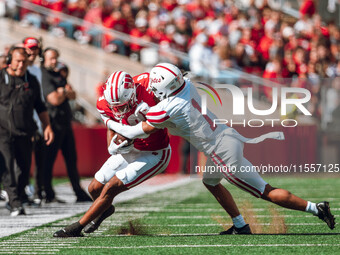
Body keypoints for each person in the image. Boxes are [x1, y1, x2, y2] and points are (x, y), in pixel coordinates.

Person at [82, 63, 335, 234]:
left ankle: (315, 208)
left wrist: (106, 119)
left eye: (156, 85)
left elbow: (131, 131)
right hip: (223, 138)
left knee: (264, 191)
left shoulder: (170, 106)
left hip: (221, 150)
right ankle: (240, 225)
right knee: (210, 182)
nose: (151, 88)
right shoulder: (186, 86)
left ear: (167, 86)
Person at [53, 71, 171, 237]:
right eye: (115, 106)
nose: (119, 110)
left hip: (154, 152)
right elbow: (112, 126)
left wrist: (129, 134)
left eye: (122, 105)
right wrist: (112, 146)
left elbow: (153, 127)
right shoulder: (104, 102)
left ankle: (76, 227)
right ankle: (105, 210)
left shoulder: (148, 91)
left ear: (132, 94)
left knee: (111, 187)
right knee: (94, 187)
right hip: (130, 150)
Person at [0, 46, 54, 216]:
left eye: (24, 61)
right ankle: (15, 202)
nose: (21, 64)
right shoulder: (1, 78)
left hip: (25, 131)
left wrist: (47, 126)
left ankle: (18, 197)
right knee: (7, 167)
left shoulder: (31, 80)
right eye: (18, 61)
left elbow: (40, 105)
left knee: (23, 168)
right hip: (2, 131)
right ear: (10, 61)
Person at [40, 47, 91, 203]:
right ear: (44, 59)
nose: (54, 61)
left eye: (56, 58)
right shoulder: (43, 75)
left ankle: (78, 191)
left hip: (65, 123)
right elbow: (53, 100)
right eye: (51, 58)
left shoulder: (57, 74)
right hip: (53, 123)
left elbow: (73, 94)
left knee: (71, 159)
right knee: (48, 160)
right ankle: (47, 193)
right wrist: (63, 92)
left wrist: (62, 92)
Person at [22, 37, 45, 204]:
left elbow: (39, 99)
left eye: (35, 48)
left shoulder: (37, 70)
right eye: (29, 48)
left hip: (35, 120)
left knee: (36, 159)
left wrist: (42, 122)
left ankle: (35, 191)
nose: (32, 51)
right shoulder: (15, 70)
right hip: (20, 120)